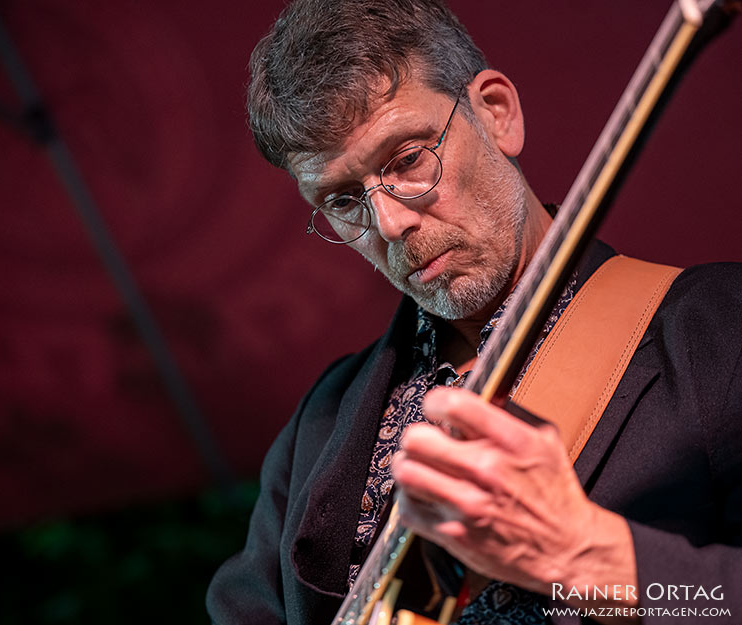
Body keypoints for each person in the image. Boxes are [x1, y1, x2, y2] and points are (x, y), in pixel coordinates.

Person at [207, 1, 742, 623]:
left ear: (497, 113)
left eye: (407, 159)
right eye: (343, 200)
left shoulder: (718, 330)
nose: (390, 223)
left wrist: (584, 561)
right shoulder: (321, 422)